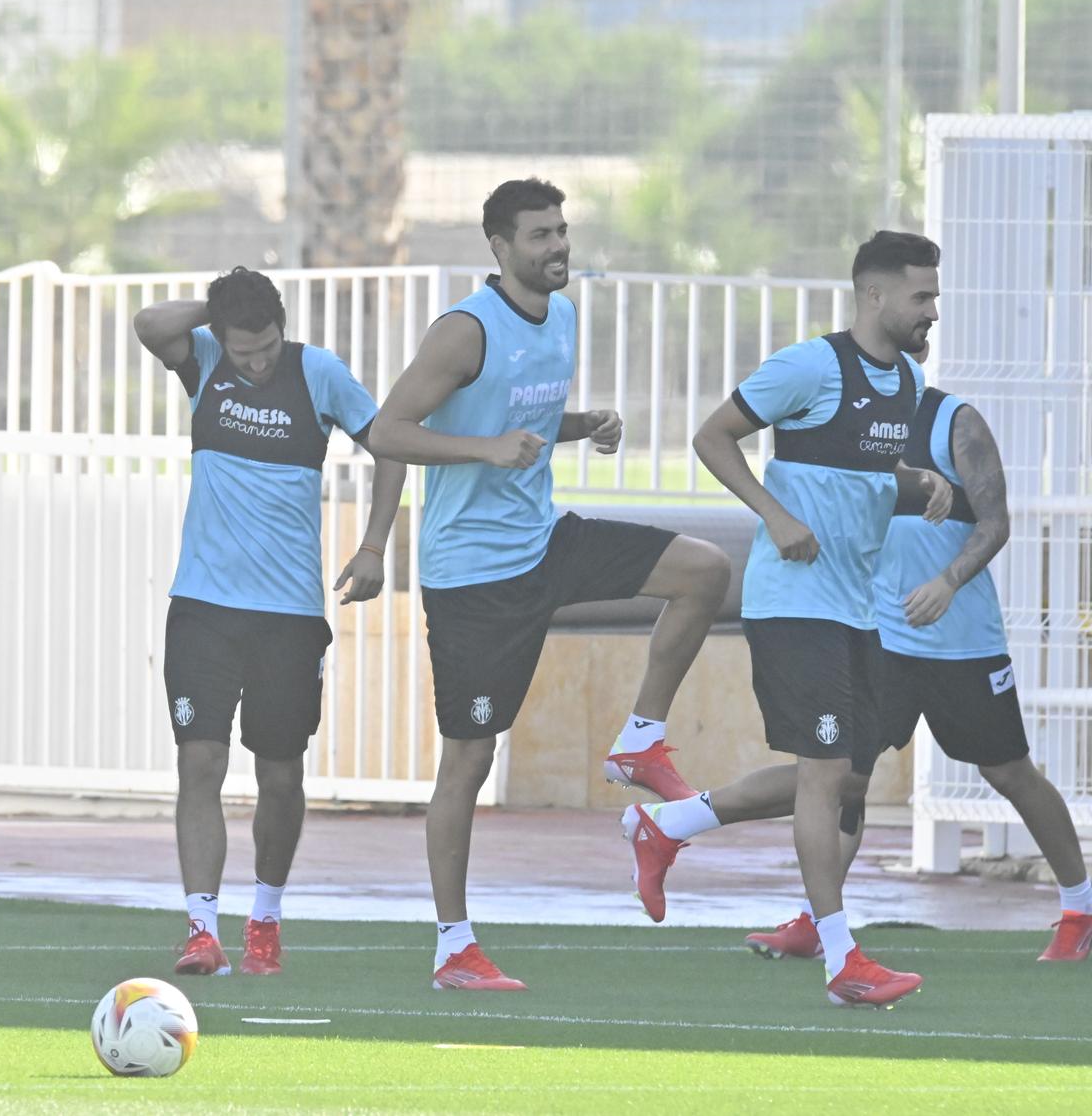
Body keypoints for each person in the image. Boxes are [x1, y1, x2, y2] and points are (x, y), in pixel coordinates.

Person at [367, 178, 732, 992]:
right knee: (468, 760)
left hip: (546, 541)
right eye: (539, 235)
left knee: (705, 571)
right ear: (499, 248)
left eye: (562, 231)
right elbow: (388, 430)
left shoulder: (561, 315)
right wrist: (486, 452)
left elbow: (517, 421)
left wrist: (581, 424)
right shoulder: (465, 331)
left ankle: (639, 740)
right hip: (472, 577)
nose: (557, 246)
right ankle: (454, 946)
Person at [628, 230, 953, 1007]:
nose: (932, 310)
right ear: (874, 295)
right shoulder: (811, 365)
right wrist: (773, 516)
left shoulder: (905, 381)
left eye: (934, 296)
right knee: (824, 775)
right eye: (922, 296)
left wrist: (920, 483)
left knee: (842, 779)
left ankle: (670, 826)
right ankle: (843, 960)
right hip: (792, 602)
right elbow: (712, 437)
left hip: (857, 609)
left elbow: (861, 473)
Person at [731, 384, 1087, 965]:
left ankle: (1080, 908)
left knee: (1009, 773)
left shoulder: (955, 421)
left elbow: (995, 524)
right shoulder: (842, 416)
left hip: (962, 644)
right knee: (845, 777)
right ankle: (821, 922)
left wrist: (947, 582)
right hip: (878, 639)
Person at [131, 267, 405, 977]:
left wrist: (374, 545)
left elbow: (394, 447)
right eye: (242, 350)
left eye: (266, 348)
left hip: (287, 616)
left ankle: (266, 917)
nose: (254, 362)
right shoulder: (207, 360)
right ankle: (200, 928)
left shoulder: (319, 373)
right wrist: (218, 310)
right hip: (202, 608)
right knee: (200, 762)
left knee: (279, 774)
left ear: (284, 331)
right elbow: (149, 324)